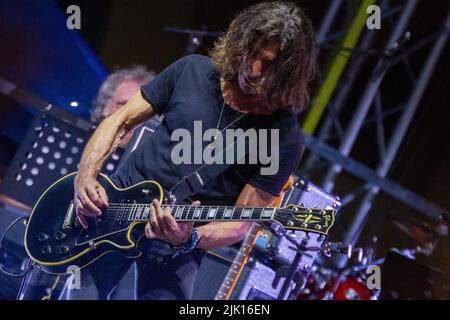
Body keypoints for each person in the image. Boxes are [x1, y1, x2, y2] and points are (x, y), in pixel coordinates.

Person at [70, 1, 317, 300]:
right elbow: (118, 122)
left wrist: (190, 237)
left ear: (288, 74)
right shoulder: (192, 70)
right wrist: (85, 176)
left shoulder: (284, 137)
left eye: (269, 64)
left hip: (178, 240)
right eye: (252, 54)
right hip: (113, 209)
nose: (253, 70)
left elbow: (240, 221)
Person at [18, 65, 155, 300]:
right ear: (104, 108)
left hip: (106, 258)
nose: (132, 115)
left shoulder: (150, 172)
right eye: (122, 105)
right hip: (58, 242)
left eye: (140, 110)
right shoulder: (75, 147)